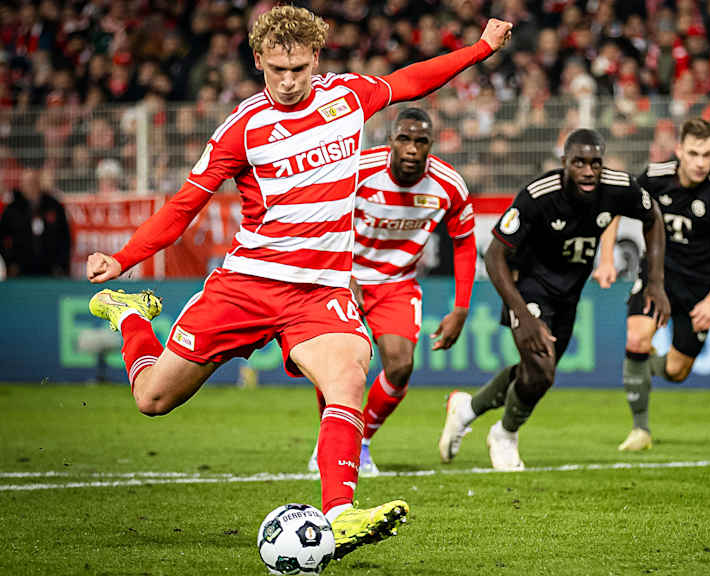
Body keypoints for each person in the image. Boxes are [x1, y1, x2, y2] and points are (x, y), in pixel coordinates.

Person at [84, 5, 512, 559]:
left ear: (317, 59)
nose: (288, 82)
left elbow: (411, 80)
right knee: (152, 398)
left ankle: (340, 513)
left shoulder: (348, 97)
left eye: (300, 68)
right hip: (247, 286)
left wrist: (480, 47)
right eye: (277, 70)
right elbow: (184, 206)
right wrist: (123, 259)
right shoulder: (241, 129)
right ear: (258, 60)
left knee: (349, 374)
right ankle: (130, 315)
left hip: (320, 292)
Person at [438, 128, 671, 470]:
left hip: (568, 293)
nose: (589, 171)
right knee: (542, 370)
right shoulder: (538, 195)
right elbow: (494, 256)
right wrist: (524, 313)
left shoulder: (619, 188)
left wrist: (656, 282)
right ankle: (504, 435)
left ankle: (466, 409)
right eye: (579, 163)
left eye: (595, 163)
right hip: (529, 286)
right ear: (564, 163)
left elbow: (653, 219)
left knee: (535, 374)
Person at [309, 107, 477, 476]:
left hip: (397, 283)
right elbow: (321, 216)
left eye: (421, 141)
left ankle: (361, 443)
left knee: (400, 366)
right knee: (341, 367)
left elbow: (464, 243)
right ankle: (329, 444)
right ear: (390, 141)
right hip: (343, 277)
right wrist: (340, 272)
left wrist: (461, 308)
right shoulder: (358, 170)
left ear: (431, 145)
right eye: (404, 139)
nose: (412, 148)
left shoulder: (449, 185)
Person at [609, 119, 710, 452]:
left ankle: (640, 366)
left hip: (699, 290)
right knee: (637, 337)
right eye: (694, 153)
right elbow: (614, 208)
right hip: (658, 278)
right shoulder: (656, 177)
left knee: (676, 370)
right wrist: (605, 259)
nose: (701, 162)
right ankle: (640, 430)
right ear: (679, 150)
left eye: (708, 154)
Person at [0, 167, 72, 278]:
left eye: (33, 182)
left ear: (39, 183)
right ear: (21, 185)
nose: (30, 186)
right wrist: (10, 263)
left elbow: (65, 237)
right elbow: (3, 238)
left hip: (51, 270)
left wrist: (61, 265)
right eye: (27, 182)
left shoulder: (54, 206)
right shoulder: (12, 209)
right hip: (20, 270)